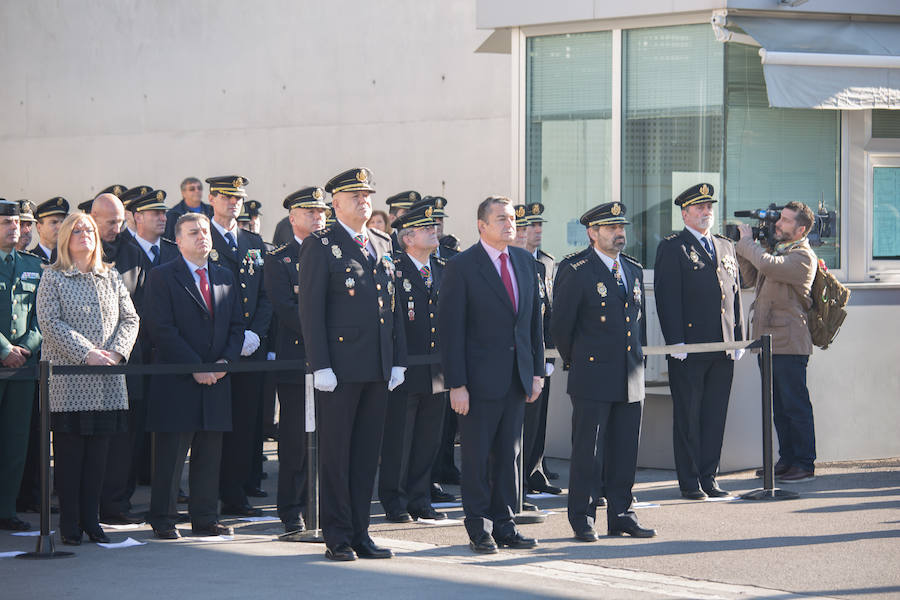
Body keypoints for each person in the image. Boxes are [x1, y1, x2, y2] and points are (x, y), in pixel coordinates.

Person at [297, 167, 407, 561]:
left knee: (365, 456)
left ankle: (361, 532)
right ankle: (338, 536)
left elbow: (391, 306)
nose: (364, 200)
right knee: (337, 456)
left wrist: (397, 359)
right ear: (336, 203)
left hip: (377, 367)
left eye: (367, 194)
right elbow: (310, 311)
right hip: (340, 371)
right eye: (355, 195)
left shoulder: (381, 241)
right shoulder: (321, 244)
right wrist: (319, 365)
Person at [438, 195, 544, 555]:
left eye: (512, 218)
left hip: (516, 377)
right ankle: (479, 527)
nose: (509, 224)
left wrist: (537, 371)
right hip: (478, 382)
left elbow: (533, 324)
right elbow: (451, 331)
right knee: (478, 455)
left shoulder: (525, 262)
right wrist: (457, 383)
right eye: (500, 218)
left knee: (509, 454)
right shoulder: (462, 266)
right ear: (481, 226)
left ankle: (505, 522)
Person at [552, 201, 656, 541]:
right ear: (592, 233)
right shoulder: (577, 269)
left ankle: (622, 513)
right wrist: (578, 362)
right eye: (611, 228)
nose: (619, 233)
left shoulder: (632, 269)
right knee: (589, 452)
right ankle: (583, 516)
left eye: (621, 227)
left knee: (625, 451)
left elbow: (636, 324)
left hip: (629, 374)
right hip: (593, 375)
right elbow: (562, 328)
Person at [36, 213, 139, 545]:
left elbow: (130, 318)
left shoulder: (110, 276)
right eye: (77, 230)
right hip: (70, 384)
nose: (85, 235)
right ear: (65, 238)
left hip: (108, 379)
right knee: (69, 457)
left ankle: (92, 520)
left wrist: (117, 353)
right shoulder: (53, 277)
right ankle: (69, 523)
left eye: (89, 230)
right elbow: (50, 323)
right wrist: (87, 353)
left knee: (99, 456)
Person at [144, 213, 244, 539]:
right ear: (179, 240)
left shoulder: (226, 276)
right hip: (177, 381)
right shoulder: (161, 277)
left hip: (216, 380)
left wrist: (223, 362)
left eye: (204, 231)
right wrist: (196, 366)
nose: (202, 236)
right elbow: (161, 329)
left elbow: (236, 326)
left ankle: (204, 518)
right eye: (193, 232)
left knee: (209, 454)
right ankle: (163, 519)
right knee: (171, 457)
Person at [654, 183, 744, 500]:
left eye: (709, 207)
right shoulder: (673, 247)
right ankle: (690, 481)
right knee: (689, 416)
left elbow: (734, 296)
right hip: (689, 348)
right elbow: (667, 298)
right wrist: (675, 341)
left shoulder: (725, 246)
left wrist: (739, 337)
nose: (706, 212)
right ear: (685, 213)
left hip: (722, 346)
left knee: (714, 414)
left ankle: (709, 476)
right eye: (699, 208)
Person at [98, 190, 179, 524]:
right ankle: (115, 503)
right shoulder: (116, 252)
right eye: (152, 213)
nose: (161, 218)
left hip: (166, 359)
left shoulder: (167, 253)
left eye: (164, 213)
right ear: (135, 218)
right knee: (123, 437)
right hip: (130, 358)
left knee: (157, 432)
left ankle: (156, 501)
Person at [201, 176, 272, 516]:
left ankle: (236, 491)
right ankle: (209, 490)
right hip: (216, 346)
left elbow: (265, 295)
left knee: (245, 422)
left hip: (250, 347)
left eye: (239, 198)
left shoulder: (254, 241)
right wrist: (230, 337)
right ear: (212, 198)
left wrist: (254, 333)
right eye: (227, 197)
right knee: (214, 424)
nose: (234, 203)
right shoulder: (202, 237)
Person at [736, 201, 818, 483]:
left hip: (790, 342)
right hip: (769, 340)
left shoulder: (802, 257)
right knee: (779, 407)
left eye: (784, 220)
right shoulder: (776, 252)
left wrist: (748, 243)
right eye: (778, 219)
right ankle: (787, 459)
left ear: (801, 228)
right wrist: (747, 249)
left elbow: (769, 266)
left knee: (795, 404)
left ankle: (805, 463)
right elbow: (750, 277)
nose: (777, 224)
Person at [263, 186, 327, 538]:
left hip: (332, 361)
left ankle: (320, 504)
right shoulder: (280, 259)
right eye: (310, 212)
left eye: (321, 212)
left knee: (327, 439)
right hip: (297, 361)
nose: (318, 217)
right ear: (293, 218)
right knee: (294, 442)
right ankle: (292, 509)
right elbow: (288, 311)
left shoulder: (333, 254)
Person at [379, 202, 448, 523]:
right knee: (399, 439)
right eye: (426, 228)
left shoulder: (443, 269)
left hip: (437, 370)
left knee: (428, 439)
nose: (434, 231)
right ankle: (395, 499)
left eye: (434, 227)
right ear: (407, 238)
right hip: (404, 369)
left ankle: (420, 498)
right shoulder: (392, 268)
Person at [0, 201, 43, 531]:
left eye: (16, 222)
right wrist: (4, 349)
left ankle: (6, 509)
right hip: (3, 359)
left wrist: (24, 349)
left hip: (23, 367)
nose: (14, 227)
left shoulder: (32, 264)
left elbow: (40, 318)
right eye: (5, 222)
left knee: (15, 441)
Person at [518, 202, 561, 495]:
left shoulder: (546, 261)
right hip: (519, 352)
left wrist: (551, 351)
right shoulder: (516, 262)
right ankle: (519, 475)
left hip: (542, 350)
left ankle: (535, 469)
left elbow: (550, 309)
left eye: (538, 225)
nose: (536, 230)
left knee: (539, 415)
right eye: (530, 226)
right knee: (520, 417)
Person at [164, 177, 214, 241]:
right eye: (192, 189)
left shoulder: (211, 210)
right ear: (183, 193)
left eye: (199, 188)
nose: (197, 191)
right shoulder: (173, 214)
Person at [33, 197, 69, 262]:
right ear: (39, 227)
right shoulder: (29, 259)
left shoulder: (70, 258)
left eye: (62, 222)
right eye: (54, 222)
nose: (60, 227)